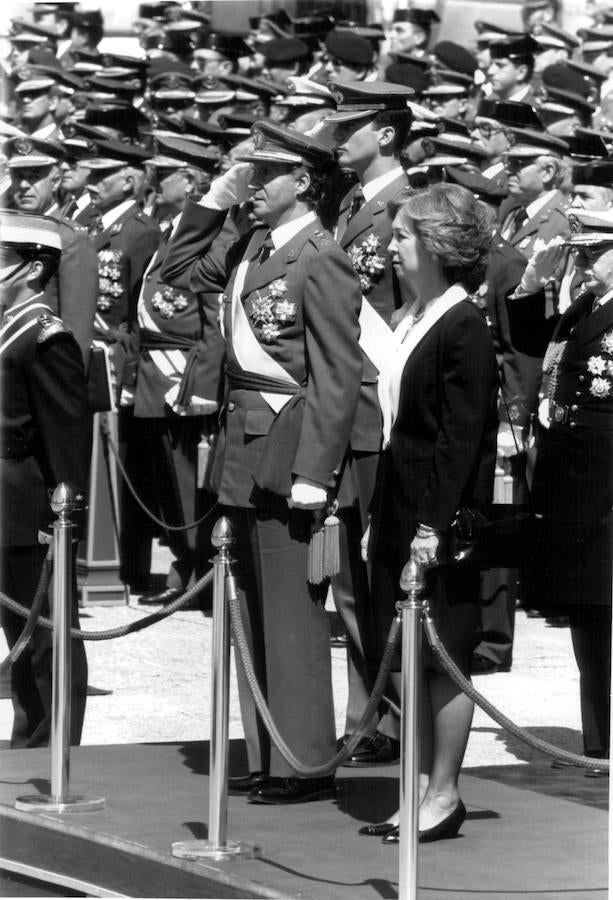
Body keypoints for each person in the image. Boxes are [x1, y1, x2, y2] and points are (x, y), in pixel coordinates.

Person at [161, 122, 362, 804]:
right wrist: (211, 200)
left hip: (288, 444)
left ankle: (304, 758)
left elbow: (336, 373)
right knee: (247, 607)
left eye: (262, 175)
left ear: (301, 183)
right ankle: (267, 750)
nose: (251, 187)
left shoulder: (318, 254)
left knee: (291, 612)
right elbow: (174, 274)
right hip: (242, 443)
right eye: (247, 175)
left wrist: (315, 472)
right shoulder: (248, 242)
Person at [361, 184, 498, 841]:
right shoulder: (415, 314)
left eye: (403, 235)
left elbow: (459, 437)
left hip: (433, 518)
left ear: (437, 246)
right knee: (407, 657)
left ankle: (443, 794)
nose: (392, 245)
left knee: (441, 659)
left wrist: (430, 527)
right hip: (397, 505)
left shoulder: (462, 324)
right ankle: (416, 786)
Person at [324, 80, 413, 766]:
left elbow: (412, 323)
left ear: (384, 132)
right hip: (343, 408)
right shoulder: (351, 203)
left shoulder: (403, 210)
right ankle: (368, 714)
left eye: (349, 125)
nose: (336, 136)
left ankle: (389, 719)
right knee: (351, 579)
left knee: (377, 574)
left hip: (377, 415)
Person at [507, 207, 613, 774]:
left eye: (597, 252)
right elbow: (531, 344)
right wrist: (529, 284)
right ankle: (599, 742)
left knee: (603, 611)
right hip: (575, 485)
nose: (585, 264)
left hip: (606, 487)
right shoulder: (584, 307)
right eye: (581, 253)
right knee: (588, 613)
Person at [0, 209, 91, 748]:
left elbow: (66, 441)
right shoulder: (11, 330)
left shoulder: (46, 338)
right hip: (4, 504)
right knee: (17, 634)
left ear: (31, 270)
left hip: (31, 507)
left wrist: (63, 523)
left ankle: (54, 749)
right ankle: (27, 738)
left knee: (46, 638)